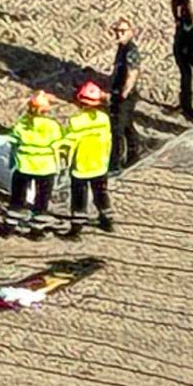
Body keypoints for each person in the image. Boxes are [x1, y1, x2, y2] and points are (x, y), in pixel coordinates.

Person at [5, 90, 64, 240]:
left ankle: (8, 228)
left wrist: (12, 163)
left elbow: (14, 143)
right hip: (45, 168)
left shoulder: (22, 124)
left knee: (17, 199)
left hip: (23, 166)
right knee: (41, 201)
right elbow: (59, 145)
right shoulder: (53, 126)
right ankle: (36, 231)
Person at [62, 81, 113, 238]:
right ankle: (107, 220)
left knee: (79, 198)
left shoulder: (75, 122)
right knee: (101, 193)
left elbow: (69, 143)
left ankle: (76, 228)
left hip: (81, 166)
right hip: (100, 164)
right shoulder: (104, 118)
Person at [107, 17, 142, 174]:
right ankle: (134, 154)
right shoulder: (122, 48)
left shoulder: (130, 50)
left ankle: (115, 163)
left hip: (124, 95)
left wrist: (124, 93)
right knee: (127, 125)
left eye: (122, 31)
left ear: (130, 32)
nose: (118, 34)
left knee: (117, 130)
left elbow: (133, 72)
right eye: (116, 31)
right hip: (119, 92)